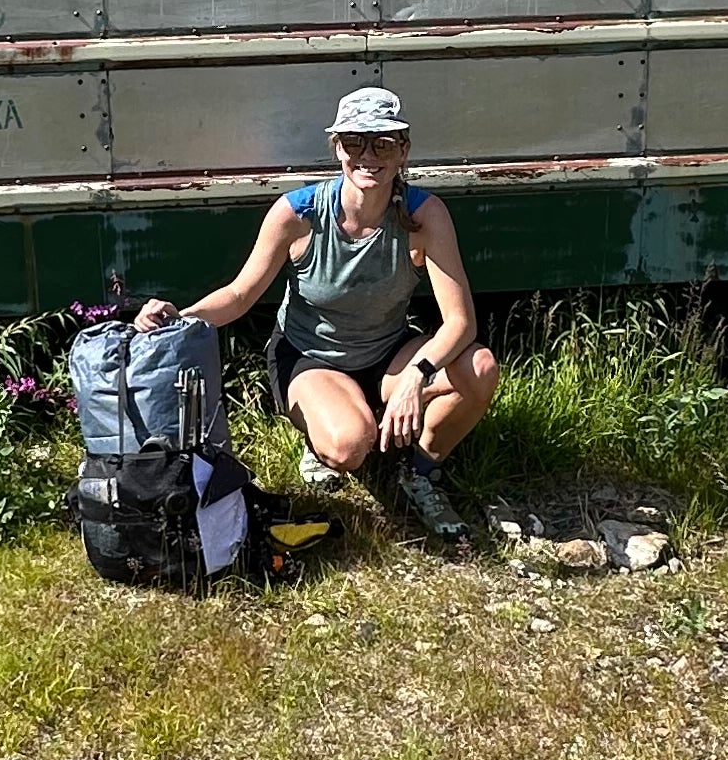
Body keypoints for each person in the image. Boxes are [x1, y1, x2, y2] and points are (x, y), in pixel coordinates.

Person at [135, 85, 500, 550]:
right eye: (354, 143)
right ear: (337, 149)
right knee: (350, 446)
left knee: (480, 369)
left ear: (403, 150)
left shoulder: (424, 215)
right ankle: (322, 438)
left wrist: (416, 376)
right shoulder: (299, 213)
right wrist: (179, 317)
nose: (368, 156)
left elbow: (459, 322)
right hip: (310, 356)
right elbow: (240, 294)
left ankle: (422, 468)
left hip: (387, 351)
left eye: (383, 143)